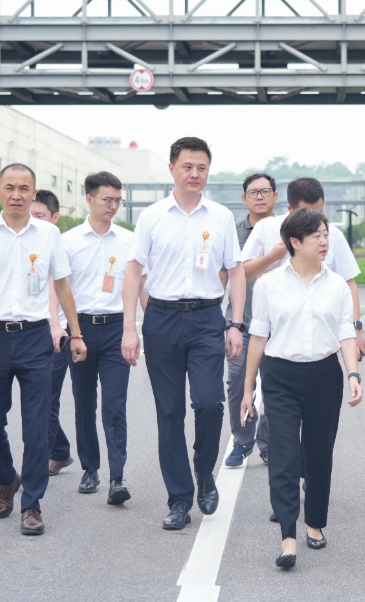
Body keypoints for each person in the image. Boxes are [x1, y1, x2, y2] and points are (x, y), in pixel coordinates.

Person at [0, 163, 88, 536]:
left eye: (24, 188)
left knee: (37, 427)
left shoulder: (48, 234)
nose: (17, 195)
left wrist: (76, 333)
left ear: (33, 193)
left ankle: (32, 504)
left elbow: (62, 285)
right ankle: (5, 478)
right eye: (10, 187)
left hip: (35, 338)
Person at [121, 137, 246, 531]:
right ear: (172, 168)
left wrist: (236, 324)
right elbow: (133, 272)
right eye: (187, 167)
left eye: (202, 168)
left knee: (209, 403)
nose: (195, 174)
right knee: (170, 412)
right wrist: (130, 328)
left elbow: (236, 271)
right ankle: (178, 498)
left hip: (207, 318)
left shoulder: (221, 216)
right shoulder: (152, 216)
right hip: (162, 320)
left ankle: (204, 471)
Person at [240, 209, 363, 569]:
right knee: (284, 454)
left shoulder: (337, 285)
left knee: (319, 453)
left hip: (324, 375)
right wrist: (248, 390)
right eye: (317, 236)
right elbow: (258, 336)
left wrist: (353, 374)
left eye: (326, 234)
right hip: (280, 375)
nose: (325, 242)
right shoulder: (269, 284)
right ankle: (288, 537)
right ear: (295, 242)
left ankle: (315, 523)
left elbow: (345, 333)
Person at [62, 171, 135, 504]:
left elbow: (140, 286)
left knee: (115, 406)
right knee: (84, 403)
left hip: (116, 330)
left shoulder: (129, 241)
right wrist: (65, 330)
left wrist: (141, 328)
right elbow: (59, 289)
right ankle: (90, 469)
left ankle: (117, 478)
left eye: (118, 200)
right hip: (80, 331)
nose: (113, 206)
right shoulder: (68, 241)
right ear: (89, 199)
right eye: (108, 199)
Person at [241, 177, 365, 360]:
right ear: (290, 209)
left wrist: (355, 328)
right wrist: (272, 257)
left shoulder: (332, 234)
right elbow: (243, 272)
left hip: (318, 337)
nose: (317, 221)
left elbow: (349, 283)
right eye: (306, 213)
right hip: (273, 334)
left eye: (320, 212)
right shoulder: (266, 228)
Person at [223, 172, 277, 468]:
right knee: (236, 383)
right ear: (244, 198)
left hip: (278, 326)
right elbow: (223, 275)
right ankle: (242, 441)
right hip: (242, 323)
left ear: (275, 197)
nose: (259, 197)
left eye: (265, 191)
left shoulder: (287, 230)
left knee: (274, 386)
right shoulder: (232, 233)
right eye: (253, 192)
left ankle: (268, 444)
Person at [30, 190, 75, 479]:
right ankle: (59, 449)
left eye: (40, 216)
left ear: (55, 217)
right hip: (29, 330)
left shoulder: (60, 244)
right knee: (38, 397)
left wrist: (57, 325)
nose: (33, 221)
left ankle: (44, 458)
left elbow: (59, 286)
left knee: (46, 397)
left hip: (56, 331)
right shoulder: (24, 242)